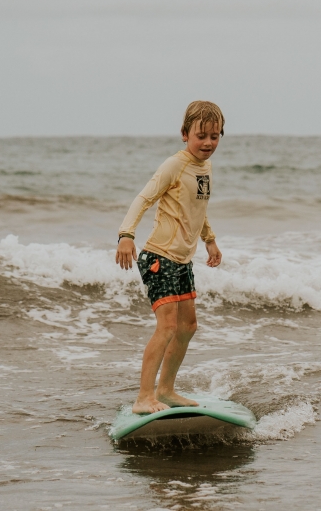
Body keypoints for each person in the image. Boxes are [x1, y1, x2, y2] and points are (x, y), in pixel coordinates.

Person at [115, 101, 224, 414]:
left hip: (182, 260)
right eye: (201, 135)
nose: (208, 143)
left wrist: (210, 241)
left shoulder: (205, 167)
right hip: (158, 257)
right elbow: (144, 198)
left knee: (188, 326)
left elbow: (197, 209)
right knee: (167, 326)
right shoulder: (174, 165)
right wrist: (126, 235)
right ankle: (143, 397)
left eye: (215, 136)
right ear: (184, 134)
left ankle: (166, 390)